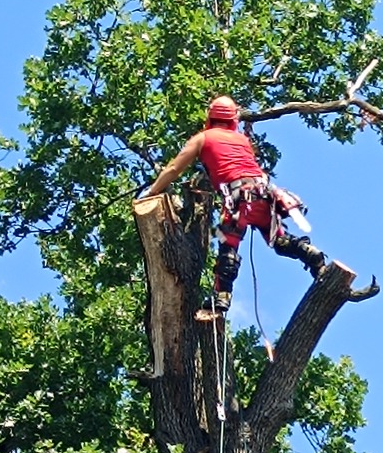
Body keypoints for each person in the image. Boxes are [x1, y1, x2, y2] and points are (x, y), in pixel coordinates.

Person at [139, 95, 329, 310]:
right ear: (233, 119)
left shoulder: (202, 138)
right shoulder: (242, 141)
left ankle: (222, 296)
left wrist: (152, 191)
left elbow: (174, 169)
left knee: (225, 241)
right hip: (264, 196)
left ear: (210, 116)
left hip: (239, 203)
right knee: (279, 242)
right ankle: (310, 254)